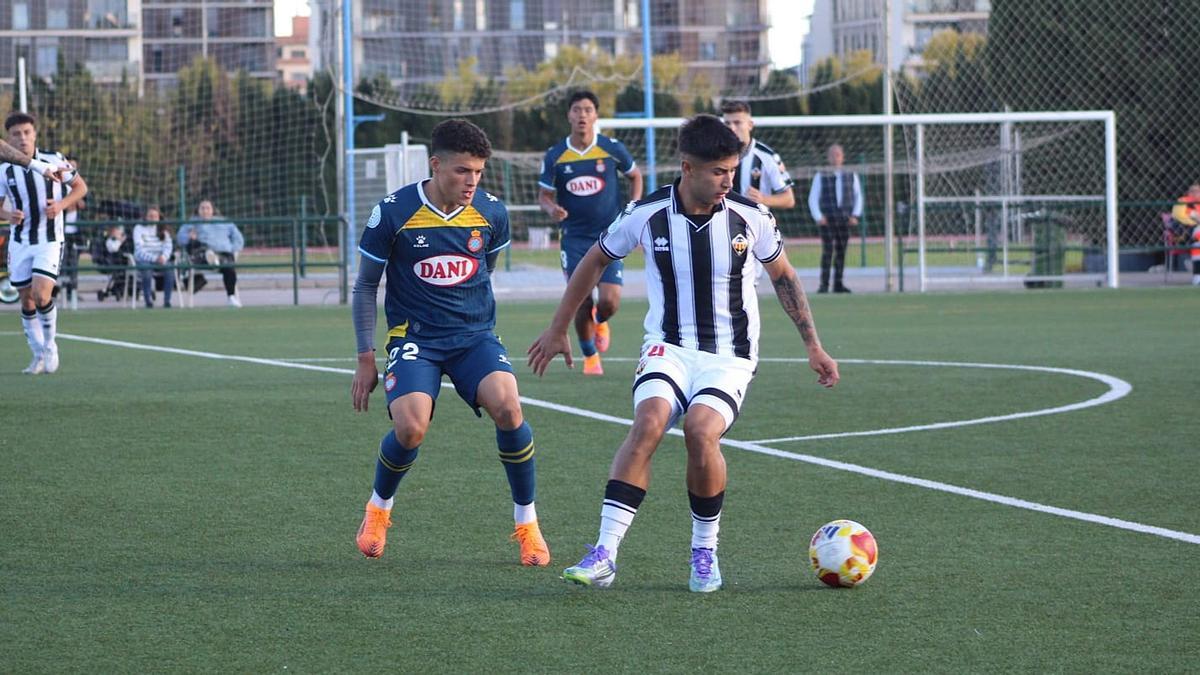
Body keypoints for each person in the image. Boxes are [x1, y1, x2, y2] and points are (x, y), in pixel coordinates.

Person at [527, 114, 839, 593]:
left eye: (732, 170)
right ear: (687, 167)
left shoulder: (751, 216)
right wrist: (558, 328)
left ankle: (704, 551)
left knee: (699, 431)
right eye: (718, 171)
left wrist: (813, 346)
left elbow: (784, 277)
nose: (728, 181)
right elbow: (594, 259)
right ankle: (605, 552)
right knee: (649, 422)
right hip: (667, 345)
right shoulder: (647, 213)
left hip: (729, 354)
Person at [350, 119, 550, 566]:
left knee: (509, 407)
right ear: (435, 165)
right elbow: (365, 286)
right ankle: (378, 510)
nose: (471, 182)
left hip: (474, 336)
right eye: (462, 171)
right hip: (416, 338)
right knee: (411, 426)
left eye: (478, 172)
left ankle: (528, 525)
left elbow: (484, 267)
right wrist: (366, 355)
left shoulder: (493, 213)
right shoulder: (394, 211)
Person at [538, 90, 643, 376]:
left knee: (609, 301)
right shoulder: (555, 155)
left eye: (587, 109)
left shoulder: (611, 148)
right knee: (582, 299)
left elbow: (635, 176)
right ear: (569, 115)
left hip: (610, 234)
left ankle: (601, 320)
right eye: (576, 109)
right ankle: (590, 357)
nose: (582, 115)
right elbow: (544, 195)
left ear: (595, 115)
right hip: (573, 237)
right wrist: (552, 209)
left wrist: (632, 208)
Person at [0, 111, 87, 375]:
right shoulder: (3, 168)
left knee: (41, 294)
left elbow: (80, 188)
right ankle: (37, 354)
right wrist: (7, 215)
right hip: (20, 240)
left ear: (35, 134)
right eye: (16, 134)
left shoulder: (54, 159)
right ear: (8, 138)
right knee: (26, 300)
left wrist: (60, 205)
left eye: (27, 132)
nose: (22, 138)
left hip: (49, 239)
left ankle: (50, 346)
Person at [807, 143, 863, 294]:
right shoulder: (821, 175)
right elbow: (813, 198)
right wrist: (818, 216)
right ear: (828, 157)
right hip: (827, 220)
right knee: (827, 251)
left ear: (842, 157)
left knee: (841, 251)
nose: (835, 158)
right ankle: (824, 285)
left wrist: (855, 215)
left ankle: (838, 284)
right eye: (832, 154)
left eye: (838, 154)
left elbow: (858, 197)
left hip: (844, 219)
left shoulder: (851, 175)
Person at [720, 100, 796, 210]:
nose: (732, 128)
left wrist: (764, 199)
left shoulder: (767, 156)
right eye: (727, 123)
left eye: (737, 123)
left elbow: (789, 199)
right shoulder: (716, 155)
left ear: (750, 125)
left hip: (755, 225)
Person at [177, 200, 243, 307]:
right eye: (202, 208)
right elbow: (180, 239)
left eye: (207, 208)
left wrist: (233, 249)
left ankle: (231, 297)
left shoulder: (225, 223)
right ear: (198, 210)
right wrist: (189, 237)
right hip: (201, 254)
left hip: (224, 253)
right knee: (198, 246)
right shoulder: (192, 223)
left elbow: (239, 239)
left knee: (229, 268)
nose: (205, 211)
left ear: (213, 210)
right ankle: (210, 257)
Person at [132, 206, 175, 308]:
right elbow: (139, 250)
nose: (153, 218)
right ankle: (148, 301)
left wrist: (163, 257)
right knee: (146, 271)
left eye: (155, 216)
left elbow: (168, 247)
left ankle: (167, 301)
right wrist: (154, 258)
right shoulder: (138, 228)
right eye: (150, 216)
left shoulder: (164, 230)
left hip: (160, 259)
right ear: (146, 217)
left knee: (170, 269)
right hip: (144, 260)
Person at [1170, 183, 1200, 285]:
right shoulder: (1183, 201)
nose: (1195, 193)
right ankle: (1197, 277)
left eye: (1197, 191)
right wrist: (1195, 221)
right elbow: (1179, 217)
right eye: (1192, 191)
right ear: (1188, 192)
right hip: (1186, 232)